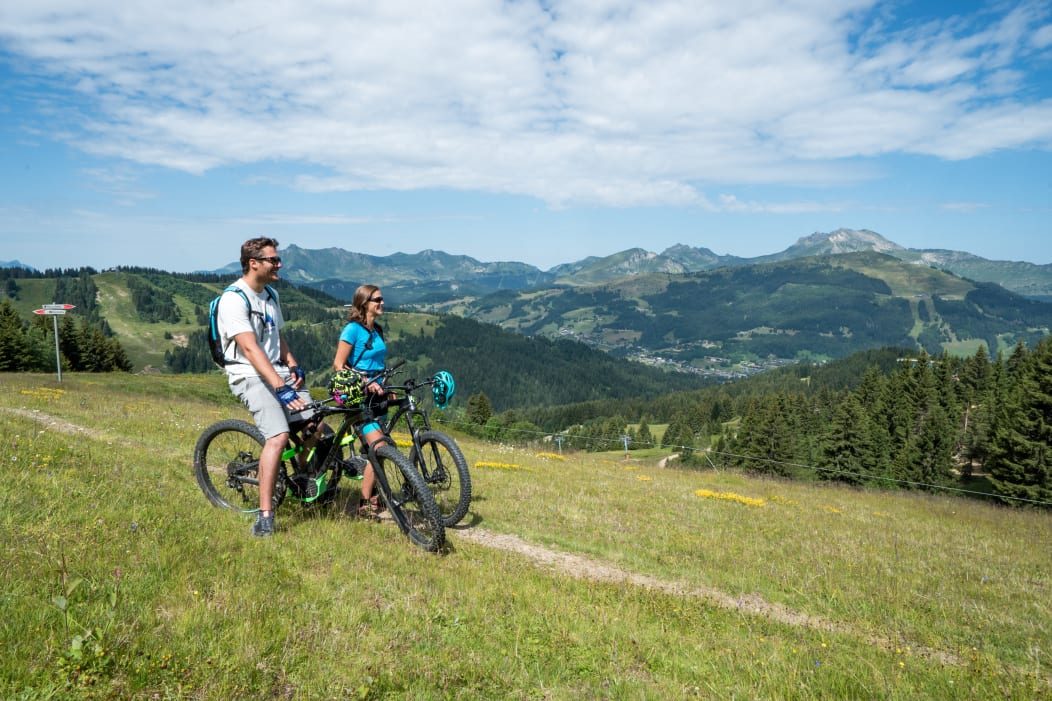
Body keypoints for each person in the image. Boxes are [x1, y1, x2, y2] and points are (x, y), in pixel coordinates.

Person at [217, 237, 316, 537]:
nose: (279, 264)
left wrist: (293, 363)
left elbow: (276, 338)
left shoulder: (270, 294)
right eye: (273, 260)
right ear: (253, 263)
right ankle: (265, 516)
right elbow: (250, 349)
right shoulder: (234, 299)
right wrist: (281, 387)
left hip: (278, 371)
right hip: (249, 375)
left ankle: (300, 478)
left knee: (316, 422)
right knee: (278, 435)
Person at [333, 283, 391, 517]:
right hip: (358, 396)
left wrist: (387, 386)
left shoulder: (377, 330)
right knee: (379, 447)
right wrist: (366, 381)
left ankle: (375, 494)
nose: (382, 303)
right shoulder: (352, 330)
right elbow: (339, 365)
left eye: (382, 299)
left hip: (379, 394)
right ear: (364, 303)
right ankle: (364, 503)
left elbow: (378, 362)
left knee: (380, 446)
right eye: (377, 299)